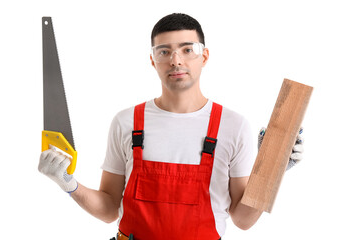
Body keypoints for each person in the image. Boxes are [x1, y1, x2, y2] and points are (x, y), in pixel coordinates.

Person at [38, 13, 304, 240]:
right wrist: (68, 183)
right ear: (153, 60)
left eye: (188, 49)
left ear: (205, 56)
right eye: (164, 51)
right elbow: (109, 209)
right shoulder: (126, 122)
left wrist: (272, 172)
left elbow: (243, 220)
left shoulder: (233, 125)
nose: (176, 60)